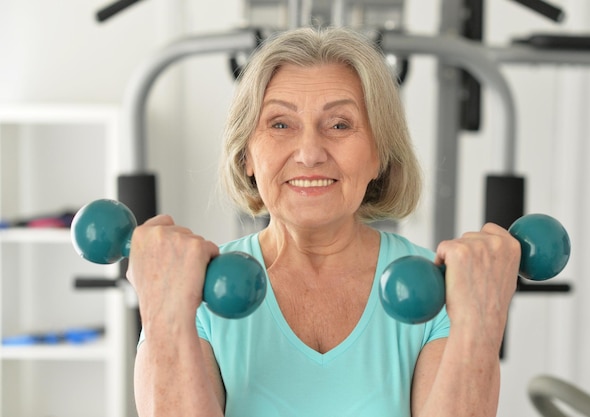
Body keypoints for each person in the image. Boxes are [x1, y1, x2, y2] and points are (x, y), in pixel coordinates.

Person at [128, 26, 521, 417]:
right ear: (247, 155)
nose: (310, 153)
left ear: (380, 155)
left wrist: (479, 323)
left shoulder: (437, 294)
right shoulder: (191, 294)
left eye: (339, 124)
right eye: (280, 124)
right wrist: (165, 314)